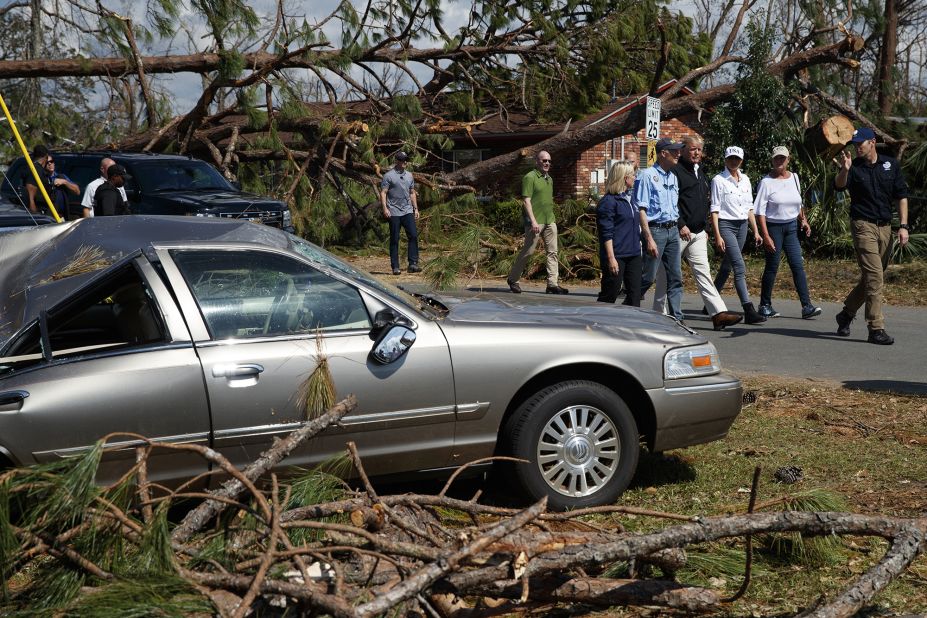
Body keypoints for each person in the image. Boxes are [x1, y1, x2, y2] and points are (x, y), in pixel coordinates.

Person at [654, 136, 743, 331]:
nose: (696, 153)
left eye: (699, 150)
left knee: (704, 273)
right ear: (683, 150)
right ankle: (658, 315)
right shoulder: (675, 171)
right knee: (666, 276)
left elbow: (703, 201)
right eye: (692, 149)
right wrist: (680, 224)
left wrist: (705, 228)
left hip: (698, 233)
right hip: (678, 232)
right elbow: (670, 201)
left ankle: (718, 314)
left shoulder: (699, 171)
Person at [833, 127, 909, 345]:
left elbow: (901, 196)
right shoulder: (853, 167)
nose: (857, 147)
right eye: (855, 144)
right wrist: (845, 170)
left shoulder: (890, 164)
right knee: (875, 277)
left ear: (872, 142)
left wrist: (903, 226)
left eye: (861, 143)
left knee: (872, 277)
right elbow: (838, 186)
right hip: (862, 226)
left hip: (885, 228)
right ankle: (876, 328)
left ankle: (846, 314)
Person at [754, 146, 822, 319]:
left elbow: (797, 202)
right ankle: (765, 305)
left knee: (797, 265)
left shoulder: (795, 178)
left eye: (782, 158)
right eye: (776, 158)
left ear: (788, 160)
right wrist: (766, 235)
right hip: (773, 228)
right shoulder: (766, 182)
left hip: (791, 228)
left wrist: (803, 220)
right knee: (772, 266)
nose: (779, 162)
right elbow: (759, 211)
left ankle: (807, 306)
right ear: (772, 160)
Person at [710, 146, 766, 325]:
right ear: (725, 159)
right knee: (739, 267)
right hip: (726, 225)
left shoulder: (746, 179)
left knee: (727, 265)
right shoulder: (718, 180)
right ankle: (748, 309)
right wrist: (717, 235)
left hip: (742, 226)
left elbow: (749, 208)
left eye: (737, 159)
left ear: (741, 160)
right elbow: (715, 210)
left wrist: (756, 230)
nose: (734, 162)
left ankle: (711, 301)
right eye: (731, 158)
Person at [507, 150, 568, 294]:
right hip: (535, 222)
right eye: (544, 160)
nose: (547, 163)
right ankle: (513, 279)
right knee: (528, 252)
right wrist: (533, 221)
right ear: (537, 161)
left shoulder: (549, 179)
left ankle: (552, 284)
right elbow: (526, 201)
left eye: (549, 161)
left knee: (553, 252)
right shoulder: (530, 177)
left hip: (549, 220)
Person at [636, 137, 684, 320]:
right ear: (663, 153)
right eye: (674, 151)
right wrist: (648, 238)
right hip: (655, 231)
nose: (678, 154)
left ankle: (677, 318)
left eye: (679, 150)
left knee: (675, 277)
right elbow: (642, 210)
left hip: (672, 230)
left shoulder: (673, 176)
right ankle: (629, 304)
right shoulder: (647, 176)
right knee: (648, 277)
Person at [595, 160, 642, 305]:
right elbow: (606, 233)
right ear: (624, 177)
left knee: (635, 297)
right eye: (632, 175)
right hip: (616, 255)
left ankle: (629, 324)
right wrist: (611, 258)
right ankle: (596, 322)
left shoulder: (630, 198)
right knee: (610, 294)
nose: (635, 178)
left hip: (633, 253)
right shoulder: (608, 202)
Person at [380, 151, 420, 275]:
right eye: (403, 160)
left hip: (407, 210)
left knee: (413, 235)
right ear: (397, 161)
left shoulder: (409, 175)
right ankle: (395, 266)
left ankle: (412, 263)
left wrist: (416, 208)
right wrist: (385, 208)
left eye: (406, 160)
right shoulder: (388, 176)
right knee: (395, 239)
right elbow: (383, 193)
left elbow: (412, 192)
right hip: (394, 211)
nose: (405, 162)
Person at [23, 144, 52, 214]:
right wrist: (35, 215)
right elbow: (30, 195)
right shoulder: (35, 170)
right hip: (38, 212)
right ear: (46, 157)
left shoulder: (38, 169)